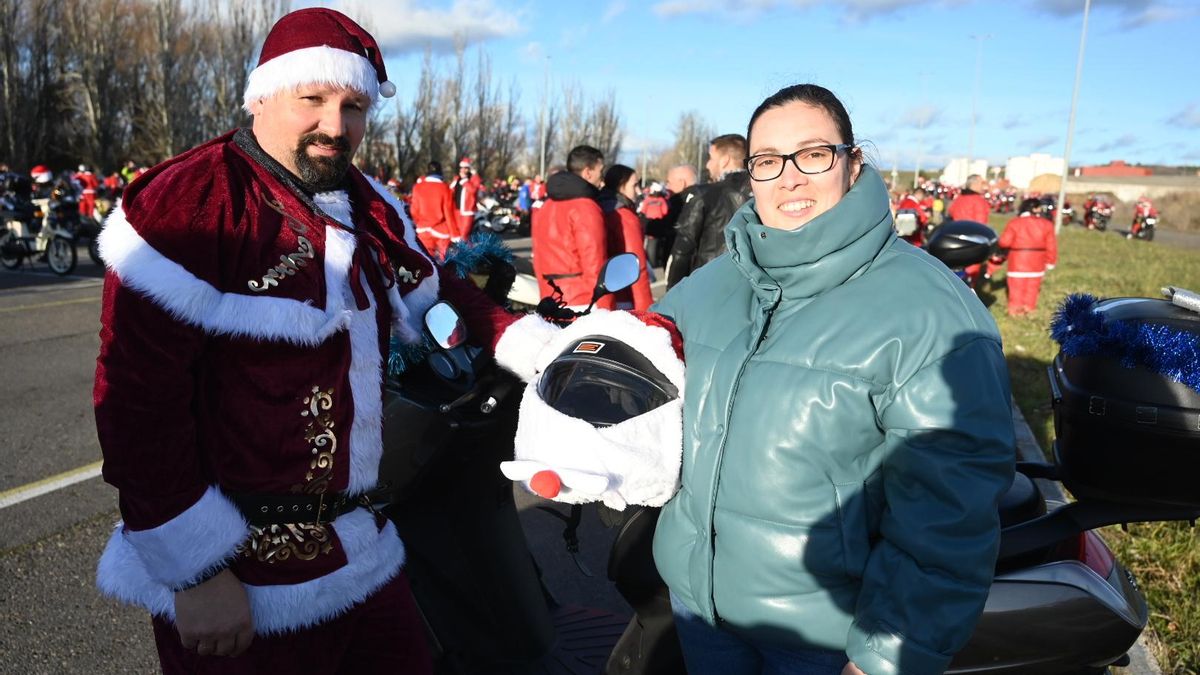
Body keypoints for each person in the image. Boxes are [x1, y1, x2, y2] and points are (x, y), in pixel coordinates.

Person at [91, 8, 554, 674]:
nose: (335, 126)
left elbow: (434, 290)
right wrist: (193, 570)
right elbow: (136, 406)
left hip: (362, 552)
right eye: (313, 99)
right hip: (238, 575)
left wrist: (542, 345)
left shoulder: (364, 200)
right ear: (264, 95)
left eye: (354, 105)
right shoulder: (189, 202)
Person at [511, 84, 1015, 675]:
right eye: (769, 160)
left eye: (813, 154)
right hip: (702, 618)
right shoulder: (708, 289)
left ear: (853, 164)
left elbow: (947, 517)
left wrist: (884, 659)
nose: (790, 177)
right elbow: (641, 396)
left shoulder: (930, 311)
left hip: (826, 640)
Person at [530, 144, 613, 309]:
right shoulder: (586, 207)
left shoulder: (546, 205)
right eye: (600, 171)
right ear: (588, 172)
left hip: (549, 297)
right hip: (582, 301)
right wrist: (605, 309)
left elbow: (538, 259)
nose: (602, 179)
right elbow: (595, 265)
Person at [665, 135, 751, 288]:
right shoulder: (763, 192)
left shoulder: (703, 194)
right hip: (756, 286)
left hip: (710, 285)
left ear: (724, 160)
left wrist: (672, 293)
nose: (707, 165)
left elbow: (682, 250)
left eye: (711, 158)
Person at [598, 164, 654, 310]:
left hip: (602, 295)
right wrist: (645, 309)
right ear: (620, 186)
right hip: (624, 297)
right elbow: (636, 266)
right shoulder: (625, 217)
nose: (638, 191)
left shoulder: (598, 208)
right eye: (634, 185)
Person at [991, 198, 1057, 317]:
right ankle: (1030, 308)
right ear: (1035, 209)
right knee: (1033, 287)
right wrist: (1050, 261)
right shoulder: (1046, 224)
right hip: (1037, 262)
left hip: (1017, 260)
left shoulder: (1015, 223)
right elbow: (1051, 245)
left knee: (1016, 287)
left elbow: (1005, 242)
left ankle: (1015, 310)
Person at [409, 160, 459, 260]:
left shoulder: (417, 187)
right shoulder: (445, 189)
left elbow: (414, 211)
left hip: (424, 230)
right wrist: (455, 235)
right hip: (442, 231)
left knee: (426, 261)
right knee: (444, 261)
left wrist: (419, 222)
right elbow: (449, 214)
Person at [450, 157, 481, 243]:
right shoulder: (456, 178)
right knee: (458, 235)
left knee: (464, 234)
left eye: (465, 168)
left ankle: (466, 253)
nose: (463, 170)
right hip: (456, 210)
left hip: (468, 211)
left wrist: (464, 180)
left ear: (469, 168)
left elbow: (473, 191)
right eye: (461, 168)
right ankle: (465, 252)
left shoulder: (475, 178)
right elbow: (450, 191)